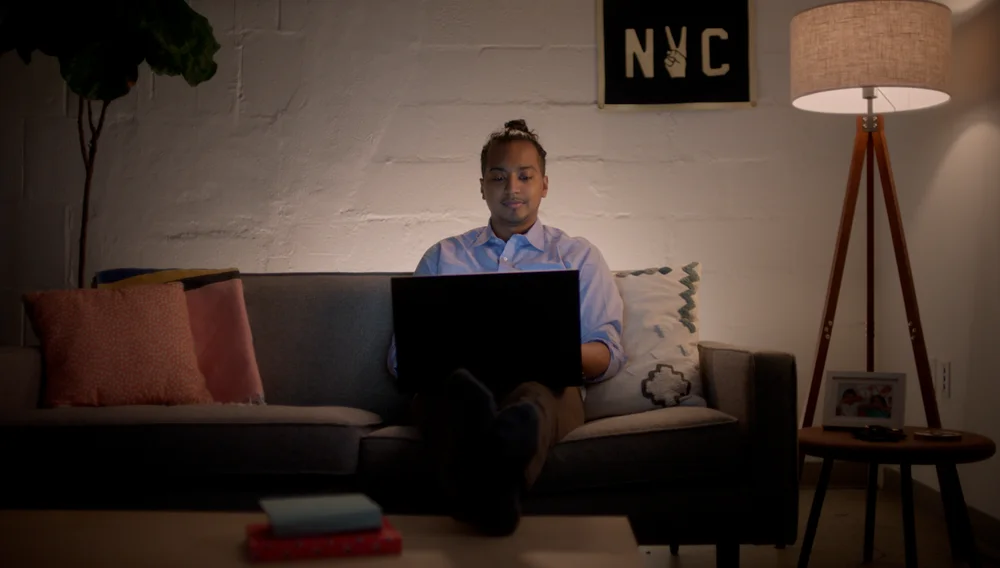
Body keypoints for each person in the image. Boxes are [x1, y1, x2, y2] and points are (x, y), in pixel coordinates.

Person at [386, 119, 626, 536]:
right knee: (451, 394)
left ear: (544, 184)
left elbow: (607, 353)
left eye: (524, 176)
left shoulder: (578, 256)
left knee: (534, 396)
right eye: (498, 176)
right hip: (455, 385)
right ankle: (496, 490)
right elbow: (400, 358)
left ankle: (492, 469)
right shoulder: (443, 256)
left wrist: (550, 351)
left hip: (546, 387)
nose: (511, 187)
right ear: (481, 186)